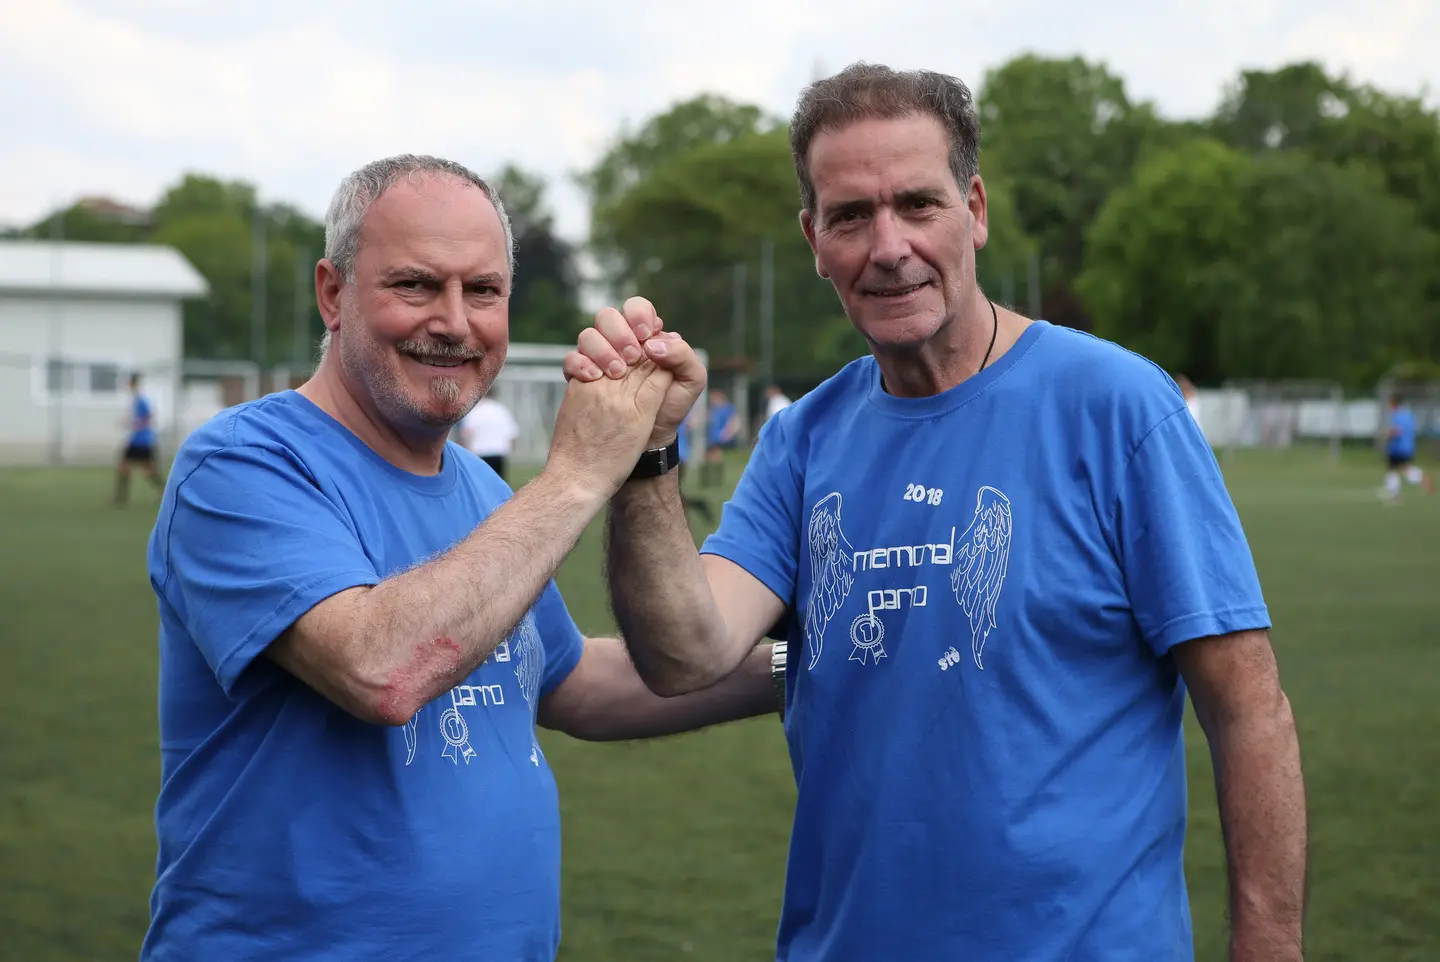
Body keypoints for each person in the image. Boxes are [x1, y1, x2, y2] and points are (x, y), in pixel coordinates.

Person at [565, 64, 1306, 962]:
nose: (888, 246)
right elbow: (687, 654)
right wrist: (647, 458)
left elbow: (1246, 704)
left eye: (917, 204)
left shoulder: (1115, 406)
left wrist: (1268, 946)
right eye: (850, 216)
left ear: (976, 208)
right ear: (813, 238)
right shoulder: (804, 440)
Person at [141, 154, 776, 961]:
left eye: (483, 291)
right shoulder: (240, 465)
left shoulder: (480, 489)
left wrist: (805, 667)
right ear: (333, 295)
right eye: (414, 285)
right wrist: (579, 475)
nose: (454, 321)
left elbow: (572, 683)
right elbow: (382, 668)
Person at [115, 371, 164, 505]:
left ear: (133, 383)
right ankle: (121, 497)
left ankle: (165, 491)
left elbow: (149, 415)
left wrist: (136, 424)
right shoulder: (136, 399)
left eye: (129, 382)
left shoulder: (141, 399)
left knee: (148, 469)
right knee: (125, 465)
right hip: (137, 439)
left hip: (143, 440)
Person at [457, 381, 521, 480]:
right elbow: (512, 434)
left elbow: (466, 435)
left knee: (480, 484)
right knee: (497, 484)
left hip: (479, 453)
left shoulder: (474, 411)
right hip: (499, 453)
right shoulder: (501, 410)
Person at [1380, 393, 1435, 504]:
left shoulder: (1398, 415)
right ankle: (1420, 478)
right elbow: (1413, 428)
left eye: (1389, 403)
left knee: (1393, 470)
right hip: (1408, 446)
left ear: (1393, 403)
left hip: (1398, 448)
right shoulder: (1408, 414)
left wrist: (1387, 433)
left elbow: (1398, 430)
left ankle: (1396, 495)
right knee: (1403, 469)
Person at [700, 386, 739, 487]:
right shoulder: (713, 409)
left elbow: (733, 420)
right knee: (708, 458)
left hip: (719, 437)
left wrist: (728, 432)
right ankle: (708, 479)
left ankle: (716, 479)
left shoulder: (727, 408)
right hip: (711, 436)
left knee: (716, 456)